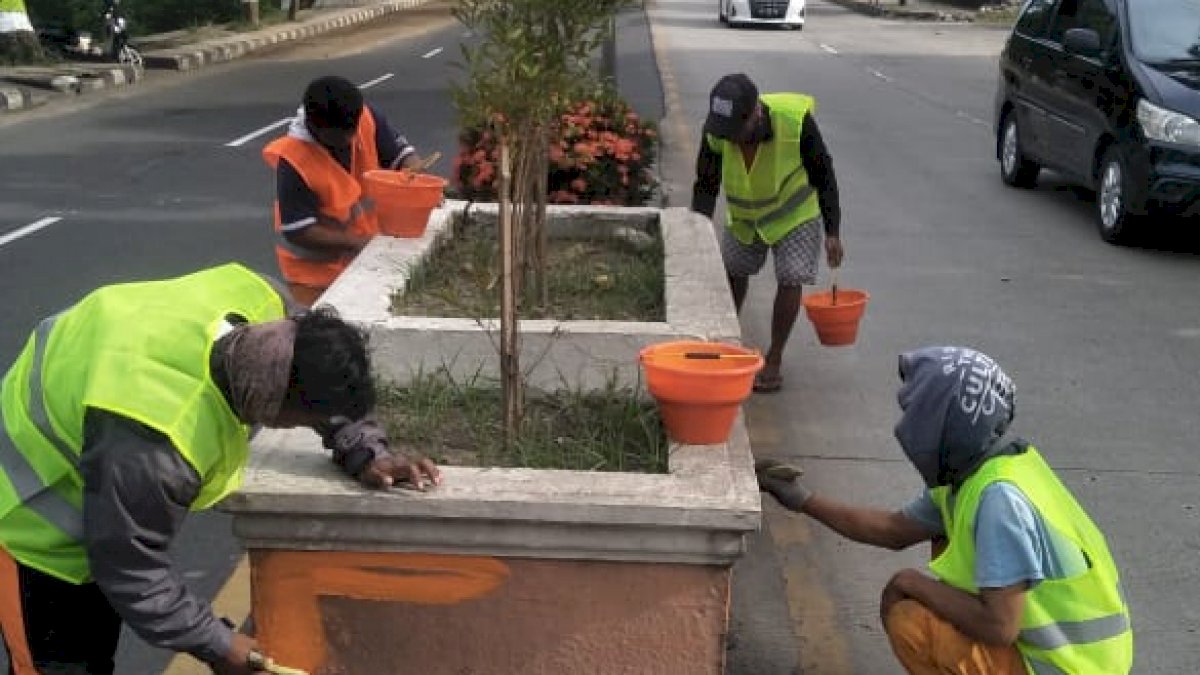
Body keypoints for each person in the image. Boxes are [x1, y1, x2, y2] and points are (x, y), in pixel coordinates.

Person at [0, 263, 441, 675]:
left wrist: (365, 450)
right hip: (30, 527)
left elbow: (317, 360)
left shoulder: (259, 305)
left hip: (94, 432)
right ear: (271, 406)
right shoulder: (158, 434)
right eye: (303, 419)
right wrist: (220, 646)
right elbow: (130, 567)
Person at [755, 346, 1133, 674]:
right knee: (942, 542)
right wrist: (802, 499)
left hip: (1062, 667)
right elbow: (892, 529)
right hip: (1078, 659)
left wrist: (911, 582)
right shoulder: (988, 470)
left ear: (948, 422)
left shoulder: (999, 499)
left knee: (912, 621)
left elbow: (1000, 627)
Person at [691, 73, 844, 393]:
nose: (731, 139)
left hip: (794, 215)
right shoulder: (717, 131)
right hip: (745, 216)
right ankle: (725, 343)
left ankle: (774, 357)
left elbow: (824, 173)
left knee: (791, 276)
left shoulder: (795, 122)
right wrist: (697, 232)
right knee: (733, 271)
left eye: (737, 131)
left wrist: (833, 230)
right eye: (726, 132)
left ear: (756, 113)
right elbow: (706, 184)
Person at [263, 75, 427, 307]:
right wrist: (357, 243)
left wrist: (418, 182)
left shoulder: (364, 119)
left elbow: (402, 157)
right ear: (315, 126)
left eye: (352, 130)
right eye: (340, 136)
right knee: (324, 329)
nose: (351, 139)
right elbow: (299, 230)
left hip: (364, 263)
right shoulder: (294, 160)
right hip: (314, 281)